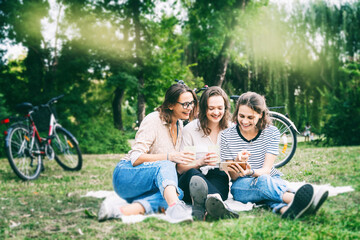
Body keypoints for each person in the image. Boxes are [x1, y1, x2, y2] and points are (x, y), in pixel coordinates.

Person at [98, 82, 198, 223]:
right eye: (185, 104)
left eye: (192, 103)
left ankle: (120, 211)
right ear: (170, 105)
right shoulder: (154, 119)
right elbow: (135, 158)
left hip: (145, 186)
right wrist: (170, 157)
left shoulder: (179, 124)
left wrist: (198, 162)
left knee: (177, 192)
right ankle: (175, 208)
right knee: (167, 165)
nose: (190, 108)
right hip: (126, 175)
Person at [219, 91, 328, 220]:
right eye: (241, 116)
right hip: (241, 186)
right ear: (236, 113)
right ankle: (296, 199)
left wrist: (251, 170)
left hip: (270, 179)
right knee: (264, 183)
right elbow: (234, 177)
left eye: (250, 117)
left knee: (266, 184)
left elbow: (266, 170)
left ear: (260, 115)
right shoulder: (227, 135)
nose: (244, 121)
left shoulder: (272, 132)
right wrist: (238, 163)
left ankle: (286, 210)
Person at [177, 86, 238, 220]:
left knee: (220, 174)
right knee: (194, 175)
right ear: (204, 108)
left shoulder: (231, 130)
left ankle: (201, 207)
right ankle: (217, 203)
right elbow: (181, 168)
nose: (216, 112)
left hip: (216, 176)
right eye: (211, 108)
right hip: (191, 179)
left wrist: (232, 163)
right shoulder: (191, 130)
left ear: (226, 108)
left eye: (220, 108)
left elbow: (233, 174)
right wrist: (200, 162)